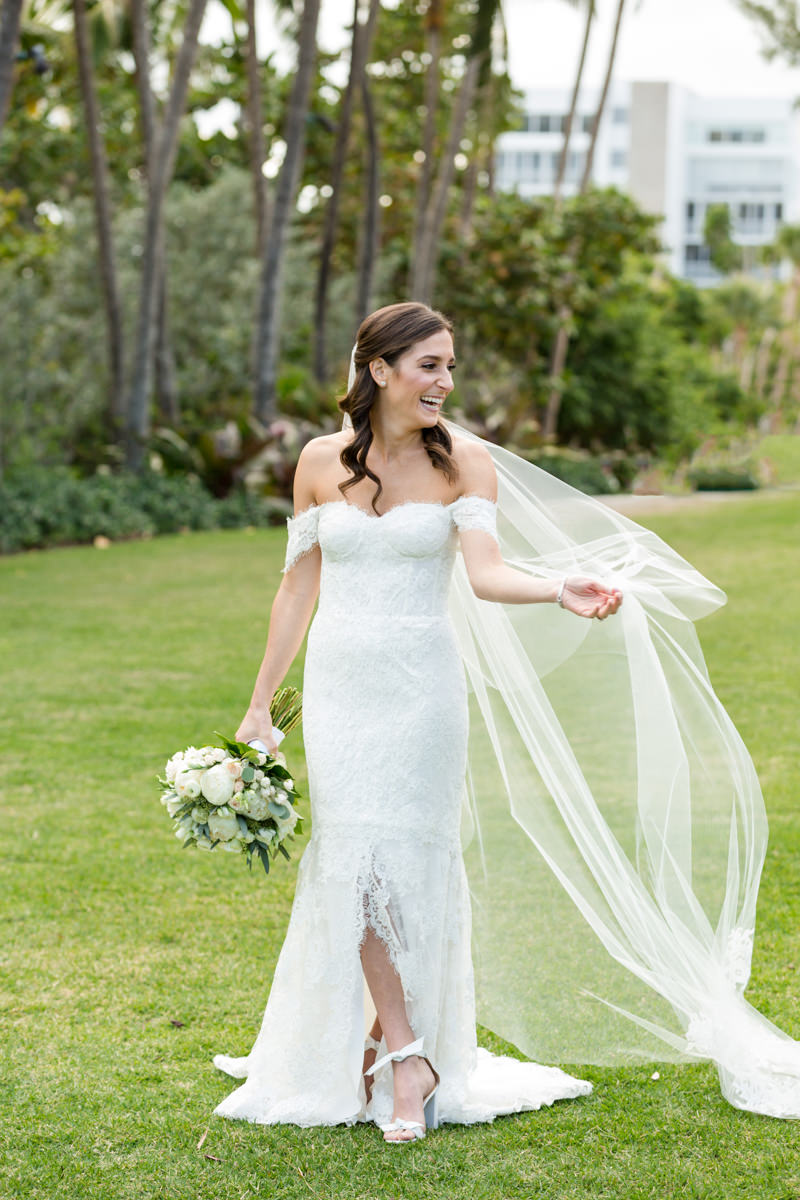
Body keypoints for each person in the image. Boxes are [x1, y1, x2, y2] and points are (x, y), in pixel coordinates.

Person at [213, 301, 622, 1142]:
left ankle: (393, 1042)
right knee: (356, 864)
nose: (444, 382)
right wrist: (260, 703)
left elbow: (487, 574)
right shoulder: (321, 462)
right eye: (430, 365)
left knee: (406, 870)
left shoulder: (464, 462)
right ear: (380, 370)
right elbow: (298, 587)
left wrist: (557, 586)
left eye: (449, 368)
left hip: (422, 688)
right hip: (342, 687)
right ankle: (409, 1053)